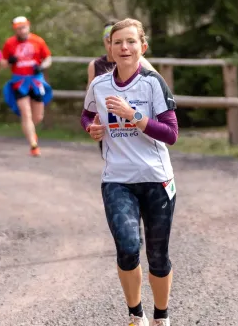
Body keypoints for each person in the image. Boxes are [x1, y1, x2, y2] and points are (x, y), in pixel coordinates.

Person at [81, 18, 178, 326]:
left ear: (142, 47)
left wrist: (133, 115)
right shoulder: (99, 84)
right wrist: (92, 128)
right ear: (109, 47)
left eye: (131, 41)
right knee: (127, 247)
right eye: (118, 42)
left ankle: (161, 317)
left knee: (158, 257)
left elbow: (171, 134)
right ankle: (136, 315)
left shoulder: (152, 83)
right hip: (117, 180)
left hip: (156, 179)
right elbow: (86, 115)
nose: (124, 47)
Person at [87, 20, 157, 248]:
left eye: (125, 41)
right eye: (112, 41)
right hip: (111, 134)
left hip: (140, 136)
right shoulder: (95, 66)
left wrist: (136, 114)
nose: (117, 46)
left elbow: (160, 93)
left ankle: (137, 224)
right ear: (106, 42)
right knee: (118, 171)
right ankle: (129, 228)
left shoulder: (140, 62)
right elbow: (89, 106)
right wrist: (92, 125)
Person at [1, 16, 53, 157]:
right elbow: (2, 63)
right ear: (15, 30)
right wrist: (9, 61)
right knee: (26, 113)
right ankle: (33, 145)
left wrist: (41, 66)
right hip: (19, 81)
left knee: (38, 116)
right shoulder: (9, 43)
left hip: (36, 81)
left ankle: (31, 132)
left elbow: (48, 58)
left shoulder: (38, 40)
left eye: (23, 27)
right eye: (18, 28)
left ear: (28, 26)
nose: (21, 30)